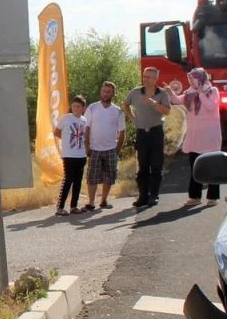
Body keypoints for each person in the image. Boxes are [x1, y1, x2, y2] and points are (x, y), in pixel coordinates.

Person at [124, 66, 174, 208]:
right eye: (144, 76)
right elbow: (126, 104)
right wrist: (132, 118)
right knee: (143, 166)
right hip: (141, 133)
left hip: (156, 132)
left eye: (148, 77)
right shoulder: (135, 92)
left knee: (156, 166)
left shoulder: (162, 94)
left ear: (155, 79)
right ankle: (143, 196)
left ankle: (154, 195)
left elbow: (167, 111)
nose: (145, 79)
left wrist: (153, 103)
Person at [176, 67, 223, 208]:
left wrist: (201, 93)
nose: (190, 81)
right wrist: (168, 92)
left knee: (212, 167)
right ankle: (195, 197)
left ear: (200, 79)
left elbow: (211, 106)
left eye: (193, 79)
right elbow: (176, 100)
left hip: (210, 136)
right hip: (195, 136)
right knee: (195, 167)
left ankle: (213, 197)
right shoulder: (189, 93)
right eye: (189, 79)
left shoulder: (212, 91)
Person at [81, 81, 126, 212]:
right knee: (92, 177)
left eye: (108, 92)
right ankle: (91, 203)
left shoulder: (117, 111)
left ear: (113, 94)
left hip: (111, 149)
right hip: (95, 148)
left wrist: (117, 150)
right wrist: (87, 146)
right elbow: (86, 128)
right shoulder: (92, 108)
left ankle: (104, 201)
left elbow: (122, 132)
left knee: (109, 177)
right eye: (104, 91)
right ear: (101, 92)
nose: (105, 94)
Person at [53, 94, 88, 216]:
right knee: (68, 180)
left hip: (81, 155)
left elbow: (86, 136)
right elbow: (57, 132)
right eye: (74, 106)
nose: (76, 108)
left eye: (78, 106)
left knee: (78, 181)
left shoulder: (84, 120)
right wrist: (67, 141)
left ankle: (74, 206)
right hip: (69, 155)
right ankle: (60, 207)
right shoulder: (66, 118)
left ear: (83, 108)